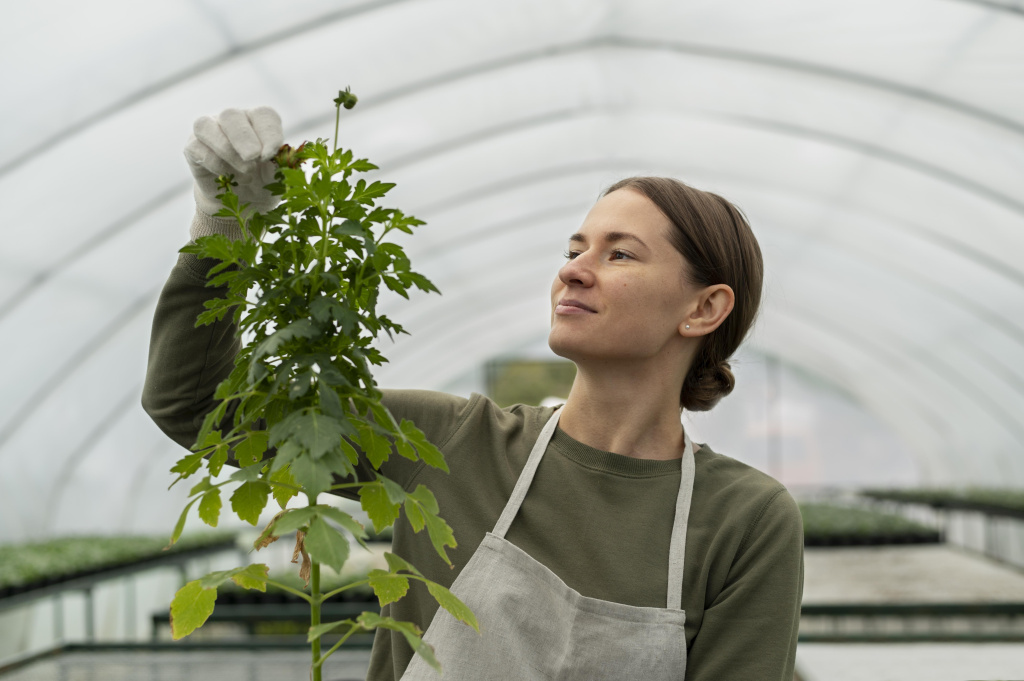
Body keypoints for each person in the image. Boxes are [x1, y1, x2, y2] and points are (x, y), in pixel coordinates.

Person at [143, 107, 804, 680]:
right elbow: (201, 411)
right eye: (574, 249)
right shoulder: (451, 439)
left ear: (704, 308)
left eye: (619, 255)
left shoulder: (744, 519)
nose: (573, 270)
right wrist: (222, 227)